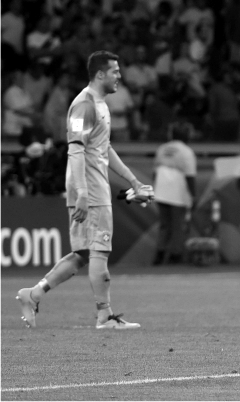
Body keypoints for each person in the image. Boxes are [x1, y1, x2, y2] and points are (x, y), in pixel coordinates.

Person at [16, 51, 154, 330]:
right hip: (89, 189)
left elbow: (105, 148)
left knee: (82, 254)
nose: (119, 76)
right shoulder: (84, 106)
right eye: (115, 71)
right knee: (99, 252)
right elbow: (75, 150)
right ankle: (105, 317)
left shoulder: (100, 105)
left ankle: (34, 294)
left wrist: (133, 182)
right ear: (100, 74)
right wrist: (80, 192)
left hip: (90, 187)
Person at [152, 121, 197, 266]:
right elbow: (190, 176)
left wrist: (156, 188)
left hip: (161, 184)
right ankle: (175, 255)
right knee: (178, 224)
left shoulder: (163, 148)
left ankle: (160, 254)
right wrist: (193, 195)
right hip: (176, 185)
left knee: (165, 224)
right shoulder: (186, 151)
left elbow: (155, 171)